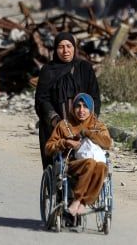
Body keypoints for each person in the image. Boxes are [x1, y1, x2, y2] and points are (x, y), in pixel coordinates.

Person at [35, 32, 101, 169]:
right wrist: (56, 121)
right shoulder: (48, 71)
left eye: (69, 46)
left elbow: (94, 97)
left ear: (74, 48)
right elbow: (42, 99)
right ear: (55, 49)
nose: (65, 51)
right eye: (61, 47)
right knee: (57, 168)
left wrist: (89, 120)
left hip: (81, 125)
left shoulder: (85, 69)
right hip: (55, 127)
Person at [45, 93, 112, 216]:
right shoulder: (64, 125)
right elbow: (48, 148)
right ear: (73, 108)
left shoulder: (99, 126)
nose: (81, 110)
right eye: (78, 106)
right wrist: (65, 142)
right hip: (71, 164)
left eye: (85, 107)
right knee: (90, 163)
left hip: (95, 163)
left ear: (91, 109)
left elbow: (107, 143)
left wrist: (88, 133)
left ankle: (83, 202)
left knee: (102, 167)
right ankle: (77, 200)